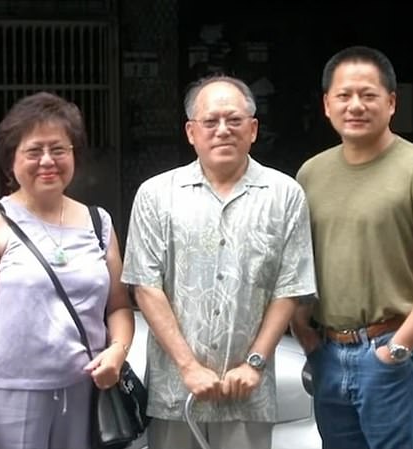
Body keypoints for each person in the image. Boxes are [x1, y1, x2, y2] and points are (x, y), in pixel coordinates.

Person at [121, 75, 317, 449]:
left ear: (254, 129)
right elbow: (145, 287)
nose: (222, 130)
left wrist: (255, 363)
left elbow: (290, 287)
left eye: (234, 120)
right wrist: (188, 367)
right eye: (210, 122)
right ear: (191, 132)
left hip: (248, 393)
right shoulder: (157, 195)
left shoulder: (284, 194)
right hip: (176, 395)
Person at [291, 45, 413, 449]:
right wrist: (301, 327)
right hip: (329, 352)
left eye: (368, 95)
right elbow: (302, 258)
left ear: (391, 103)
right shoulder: (310, 174)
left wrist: (400, 347)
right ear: (326, 105)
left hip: (392, 349)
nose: (355, 105)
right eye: (344, 95)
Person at [0, 92, 134, 449]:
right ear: (12, 161)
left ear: (74, 155)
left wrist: (118, 350)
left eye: (59, 150)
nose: (47, 161)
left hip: (84, 393)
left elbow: (119, 306)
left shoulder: (99, 223)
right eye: (34, 151)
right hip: (10, 396)